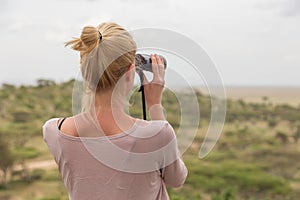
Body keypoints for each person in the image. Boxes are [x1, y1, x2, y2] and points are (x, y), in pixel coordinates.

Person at [43, 22, 188, 200]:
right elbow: (177, 179)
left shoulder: (53, 132)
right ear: (130, 71)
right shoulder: (158, 134)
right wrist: (155, 107)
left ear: (83, 69)